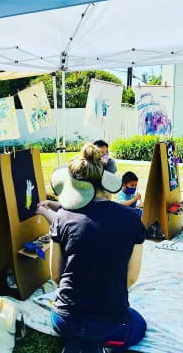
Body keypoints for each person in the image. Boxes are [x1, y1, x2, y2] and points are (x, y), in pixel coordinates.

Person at [49, 143, 147, 351]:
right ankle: (96, 341)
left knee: (78, 328)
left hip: (64, 319)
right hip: (110, 322)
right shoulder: (131, 219)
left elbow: (55, 275)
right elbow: (130, 278)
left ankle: (79, 339)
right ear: (108, 182)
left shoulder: (61, 217)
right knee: (138, 324)